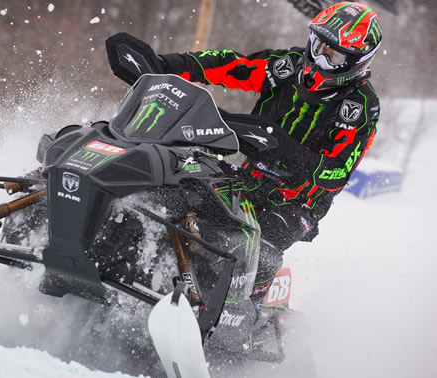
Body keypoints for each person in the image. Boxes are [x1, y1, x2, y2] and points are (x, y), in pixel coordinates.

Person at [157, 2, 383, 304]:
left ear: (355, 61)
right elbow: (230, 66)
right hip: (252, 176)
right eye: (318, 45)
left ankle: (250, 315)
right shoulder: (288, 64)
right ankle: (155, 266)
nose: (320, 56)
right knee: (184, 193)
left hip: (298, 203)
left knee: (258, 246)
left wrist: (288, 151)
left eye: (333, 53)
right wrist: (167, 65)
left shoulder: (360, 105)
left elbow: (336, 174)